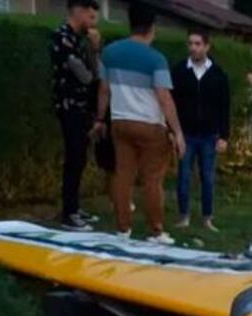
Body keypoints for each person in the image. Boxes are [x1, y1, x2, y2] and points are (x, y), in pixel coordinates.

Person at [92, 2, 185, 245]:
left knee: (123, 176)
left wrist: (100, 119)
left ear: (130, 24)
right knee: (152, 179)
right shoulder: (156, 59)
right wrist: (177, 131)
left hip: (120, 122)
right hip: (150, 125)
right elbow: (164, 97)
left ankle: (123, 229)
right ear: (152, 28)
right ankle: (156, 231)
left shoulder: (110, 53)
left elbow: (103, 89)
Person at [171, 28, 230, 231]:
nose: (193, 48)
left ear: (207, 46)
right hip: (186, 133)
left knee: (207, 177)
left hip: (209, 135)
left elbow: (224, 106)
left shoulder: (218, 74)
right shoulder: (179, 71)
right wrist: (173, 131)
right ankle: (184, 215)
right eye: (190, 44)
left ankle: (207, 217)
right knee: (184, 176)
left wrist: (224, 136)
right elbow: (172, 103)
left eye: (197, 44)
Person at [50, 0, 101, 231]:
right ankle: (68, 213)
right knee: (74, 157)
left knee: (80, 158)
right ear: (78, 11)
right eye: (91, 17)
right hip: (70, 106)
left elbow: (95, 73)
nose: (93, 23)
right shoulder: (63, 37)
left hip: (82, 107)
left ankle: (74, 207)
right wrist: (95, 50)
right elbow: (86, 76)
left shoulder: (78, 39)